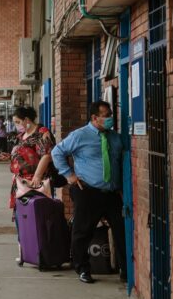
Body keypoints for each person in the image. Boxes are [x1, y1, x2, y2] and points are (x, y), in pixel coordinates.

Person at [52, 101, 126, 285]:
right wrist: (69, 175)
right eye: (106, 115)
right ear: (94, 118)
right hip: (87, 191)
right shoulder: (80, 135)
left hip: (111, 193)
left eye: (110, 114)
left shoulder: (115, 138)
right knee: (83, 231)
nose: (110, 118)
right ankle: (82, 268)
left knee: (122, 230)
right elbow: (57, 152)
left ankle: (125, 270)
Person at [5, 106, 59, 209]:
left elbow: (47, 155)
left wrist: (37, 176)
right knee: (22, 215)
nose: (16, 125)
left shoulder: (41, 133)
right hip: (21, 182)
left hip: (35, 183)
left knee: (35, 214)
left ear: (26, 120)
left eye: (17, 122)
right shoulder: (22, 135)